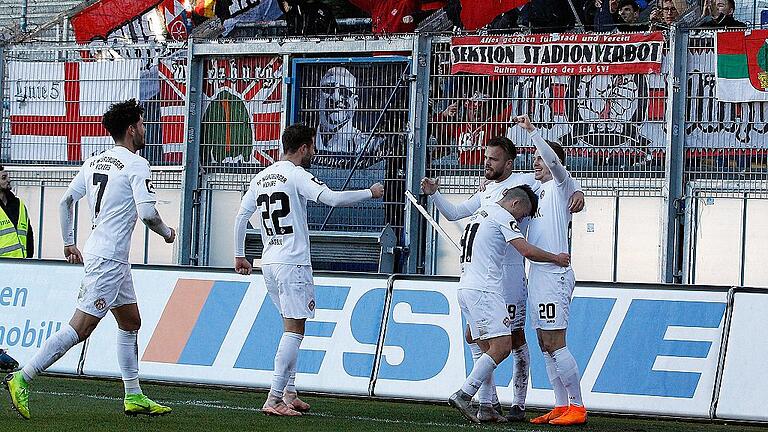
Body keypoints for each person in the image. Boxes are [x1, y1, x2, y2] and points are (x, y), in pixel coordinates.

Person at [3, 99, 176, 420]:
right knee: (81, 328)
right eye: (141, 123)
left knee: (131, 321)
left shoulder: (96, 161)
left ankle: (134, 395)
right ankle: (22, 377)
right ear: (131, 129)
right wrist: (167, 233)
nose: (144, 129)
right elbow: (149, 213)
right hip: (108, 259)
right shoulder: (137, 164)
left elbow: (67, 200)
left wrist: (69, 242)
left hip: (108, 256)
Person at [421, 136, 585, 422]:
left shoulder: (527, 183)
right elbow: (455, 213)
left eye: (493, 158)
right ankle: (488, 402)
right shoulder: (487, 195)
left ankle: (518, 405)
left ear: (508, 163)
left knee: (517, 340)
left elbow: (560, 174)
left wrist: (579, 189)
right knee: (481, 339)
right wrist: (434, 195)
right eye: (486, 157)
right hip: (493, 279)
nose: (487, 162)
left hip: (513, 278)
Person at [233, 124, 384, 416]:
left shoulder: (262, 176)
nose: (314, 152)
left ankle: (289, 393)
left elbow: (241, 216)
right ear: (303, 148)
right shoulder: (297, 175)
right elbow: (332, 199)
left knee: (289, 326)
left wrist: (240, 255)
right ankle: (274, 398)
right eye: (312, 147)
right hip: (292, 262)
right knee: (295, 329)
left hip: (270, 261)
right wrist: (370, 191)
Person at [447, 185, 570, 424]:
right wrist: (556, 257)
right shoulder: (503, 215)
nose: (521, 219)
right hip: (485, 290)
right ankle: (464, 394)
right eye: (523, 214)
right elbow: (525, 250)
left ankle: (486, 407)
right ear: (515, 203)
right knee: (504, 346)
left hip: (466, 287)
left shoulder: (479, 214)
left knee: (484, 347)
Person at [513, 114, 587, 426]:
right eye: (534, 159)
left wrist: (533, 132)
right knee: (544, 343)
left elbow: (556, 166)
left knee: (557, 342)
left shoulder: (560, 185)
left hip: (556, 275)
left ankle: (578, 407)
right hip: (538, 275)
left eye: (539, 158)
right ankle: (560, 405)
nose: (536, 163)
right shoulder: (536, 190)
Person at [315, 67, 383, 156]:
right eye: (328, 89)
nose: (336, 98)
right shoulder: (306, 141)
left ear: (355, 102)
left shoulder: (367, 144)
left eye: (345, 92)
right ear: (317, 96)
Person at [0, 166, 34, 258]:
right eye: (4, 177)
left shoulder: (19, 204)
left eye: (7, 176)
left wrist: (29, 260)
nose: (9, 180)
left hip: (21, 263)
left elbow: (28, 234)